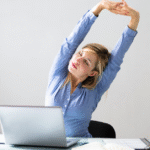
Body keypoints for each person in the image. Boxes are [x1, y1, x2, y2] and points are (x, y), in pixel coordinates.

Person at [45, 0, 140, 137]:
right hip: (47, 145)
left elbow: (116, 59)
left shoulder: (95, 90)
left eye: (86, 61)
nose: (77, 59)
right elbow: (72, 41)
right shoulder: (58, 74)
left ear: (93, 73)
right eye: (80, 53)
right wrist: (99, 7)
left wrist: (135, 18)